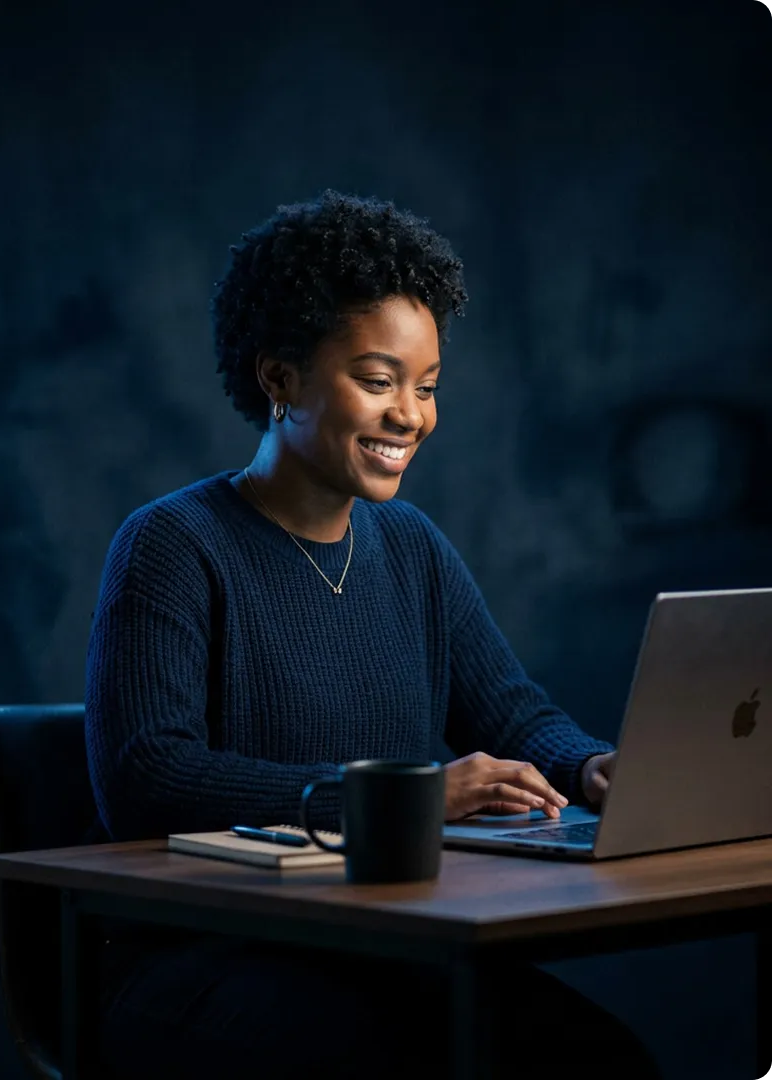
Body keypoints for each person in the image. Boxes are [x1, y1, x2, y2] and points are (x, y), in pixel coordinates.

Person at [86, 190, 659, 1079]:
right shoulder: (171, 544)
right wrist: (409, 797)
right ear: (279, 378)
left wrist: (588, 766)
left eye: (427, 388)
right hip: (199, 957)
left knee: (604, 1062)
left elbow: (510, 715)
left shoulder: (410, 546)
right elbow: (149, 779)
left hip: (382, 942)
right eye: (378, 380)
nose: (411, 416)